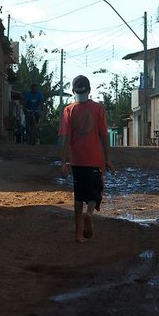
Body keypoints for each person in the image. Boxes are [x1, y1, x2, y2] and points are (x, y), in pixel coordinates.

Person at [59, 75, 115, 243]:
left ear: (73, 91)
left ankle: (78, 234)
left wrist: (63, 161)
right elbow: (104, 135)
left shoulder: (68, 110)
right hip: (95, 159)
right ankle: (89, 213)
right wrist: (108, 158)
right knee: (94, 192)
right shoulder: (98, 109)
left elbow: (66, 138)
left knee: (78, 197)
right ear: (89, 90)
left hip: (77, 160)